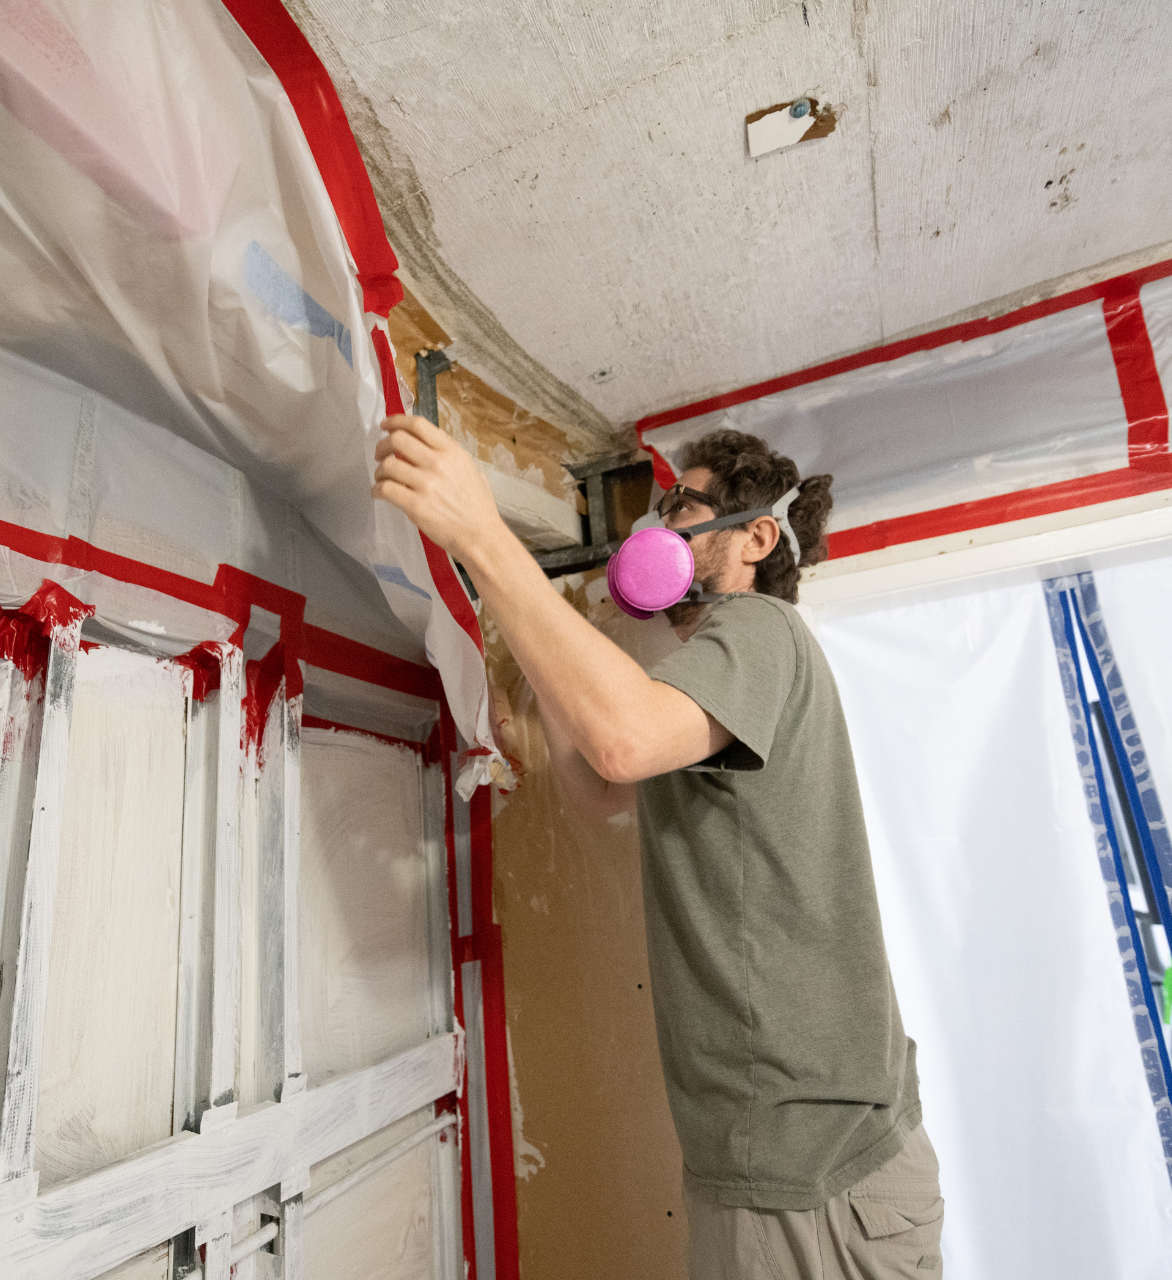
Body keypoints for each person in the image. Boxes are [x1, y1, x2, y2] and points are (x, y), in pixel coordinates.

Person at [373, 417, 942, 1279]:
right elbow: (598, 788)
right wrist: (555, 655)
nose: (655, 528)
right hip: (786, 1153)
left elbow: (621, 745)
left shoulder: (762, 630)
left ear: (755, 536)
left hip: (809, 1165)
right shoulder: (706, 684)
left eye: (681, 507)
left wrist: (485, 536)